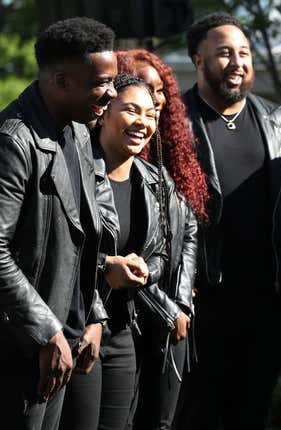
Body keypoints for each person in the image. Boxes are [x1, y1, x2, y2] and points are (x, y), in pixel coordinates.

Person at [0, 17, 146, 430]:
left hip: (66, 342)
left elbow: (86, 238)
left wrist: (94, 314)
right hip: (22, 349)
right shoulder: (14, 141)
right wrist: (46, 332)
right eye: (101, 82)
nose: (111, 93)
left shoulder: (80, 134)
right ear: (61, 80)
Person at [179, 12, 281, 429]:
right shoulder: (174, 123)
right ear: (198, 59)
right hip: (200, 304)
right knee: (199, 415)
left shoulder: (280, 122)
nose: (237, 62)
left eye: (244, 52)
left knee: (254, 412)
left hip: (266, 303)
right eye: (224, 53)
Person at [59, 73, 166, 430]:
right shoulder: (74, 170)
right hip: (78, 328)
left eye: (151, 114)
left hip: (124, 333)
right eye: (132, 110)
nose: (143, 122)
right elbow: (58, 247)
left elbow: (163, 249)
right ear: (104, 112)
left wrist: (145, 269)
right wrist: (106, 266)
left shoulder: (152, 181)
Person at [116, 49, 209, 430]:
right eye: (141, 86)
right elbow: (120, 249)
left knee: (163, 419)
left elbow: (188, 230)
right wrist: (165, 306)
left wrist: (182, 299)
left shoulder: (171, 157)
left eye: (159, 90)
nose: (154, 99)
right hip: (133, 309)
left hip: (174, 313)